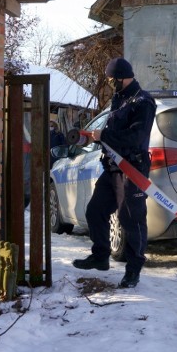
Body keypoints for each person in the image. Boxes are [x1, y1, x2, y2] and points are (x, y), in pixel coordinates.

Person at [72, 57, 157, 289]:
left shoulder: (143, 102)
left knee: (130, 220)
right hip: (112, 168)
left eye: (112, 79)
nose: (110, 84)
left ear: (123, 77)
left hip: (132, 170)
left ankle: (133, 270)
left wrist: (104, 136)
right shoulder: (119, 99)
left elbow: (135, 137)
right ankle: (100, 256)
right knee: (95, 211)